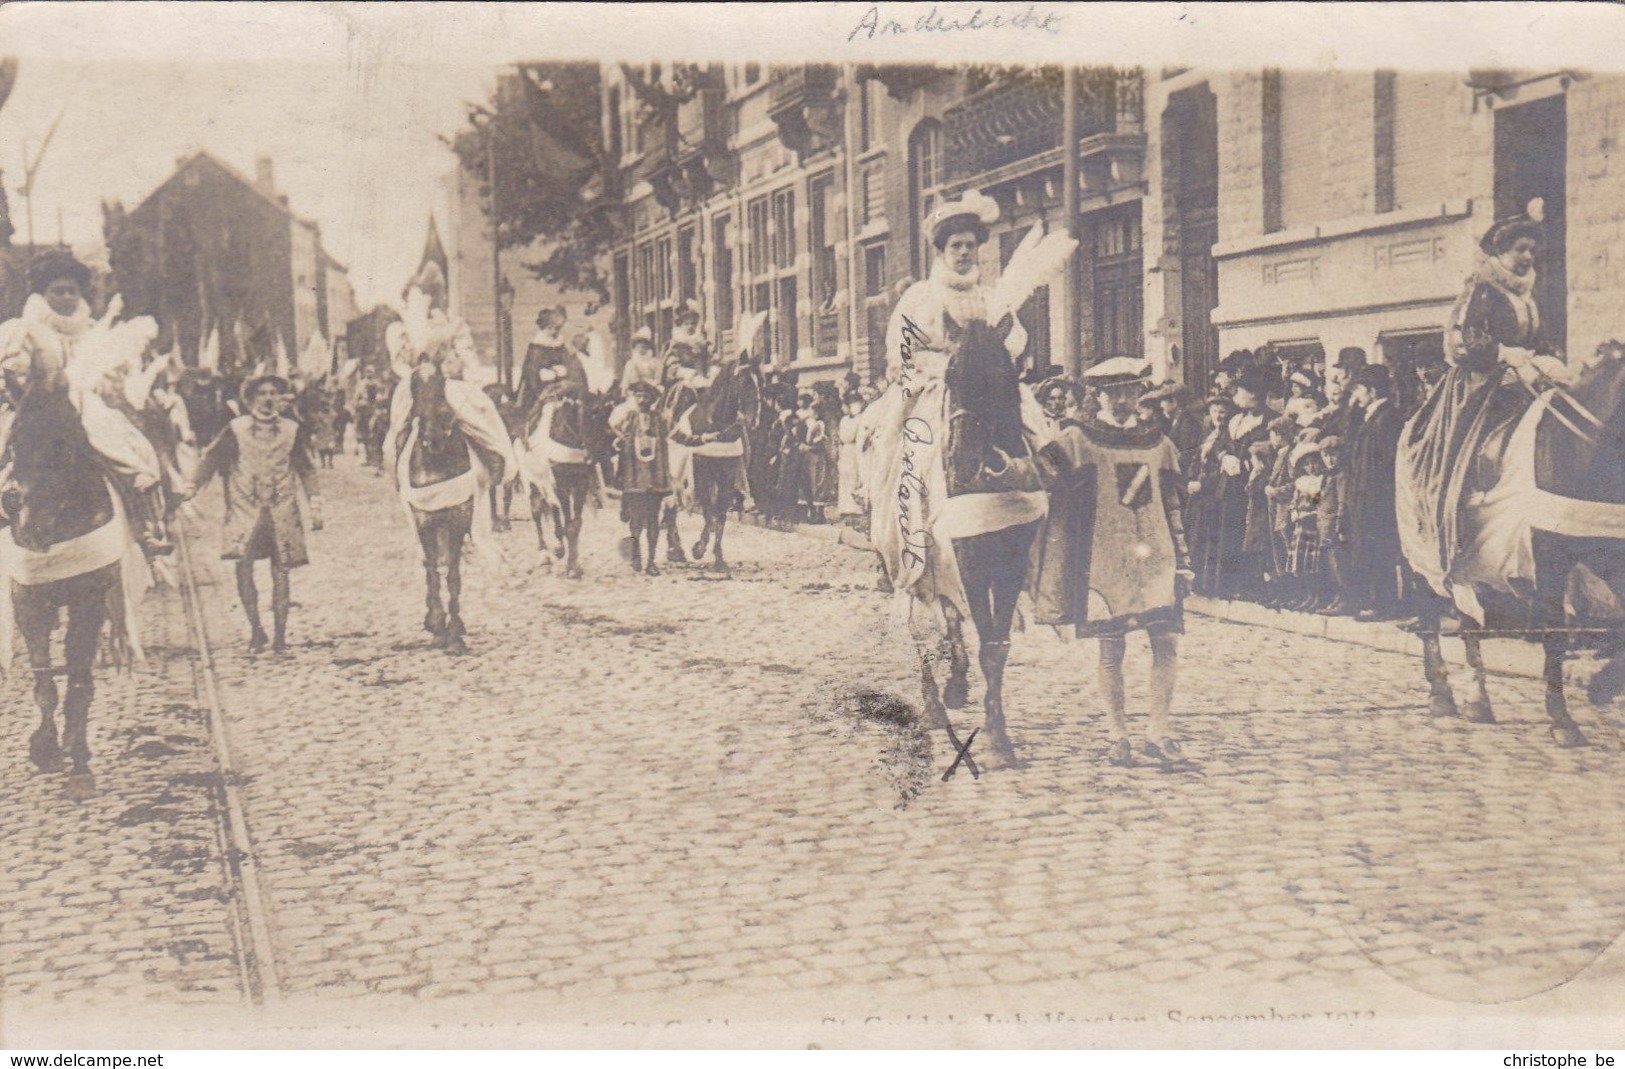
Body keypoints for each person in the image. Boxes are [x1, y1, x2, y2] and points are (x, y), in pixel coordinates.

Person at [1027, 357, 1192, 767]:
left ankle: (1159, 732)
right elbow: (1038, 474)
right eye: (1114, 391)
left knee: (1165, 643)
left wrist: (1184, 561)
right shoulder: (1078, 439)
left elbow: (1172, 503)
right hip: (1105, 562)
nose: (1123, 399)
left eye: (1131, 391)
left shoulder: (1158, 441)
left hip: (1156, 557)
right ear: (1098, 394)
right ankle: (1118, 735)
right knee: (1111, 650)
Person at [1398, 199, 1555, 618]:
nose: (1526, 256)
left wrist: (1546, 357)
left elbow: (1539, 339)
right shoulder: (1481, 289)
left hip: (1523, 376)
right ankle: (1455, 508)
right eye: (1518, 249)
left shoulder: (1527, 294)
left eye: (1530, 249)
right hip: (1481, 383)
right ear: (1500, 252)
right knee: (1467, 449)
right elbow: (1465, 341)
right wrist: (1506, 353)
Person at [0, 250, 172, 555]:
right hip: (25, 403)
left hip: (82, 399)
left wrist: (107, 382)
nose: (66, 297)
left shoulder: (92, 331)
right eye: (57, 291)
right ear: (42, 293)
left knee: (110, 428)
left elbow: (109, 371)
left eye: (72, 291)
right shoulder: (22, 330)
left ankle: (140, 518)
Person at [183, 373, 322, 653]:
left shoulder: (291, 430)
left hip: (282, 511)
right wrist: (191, 486)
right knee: (243, 568)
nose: (268, 399)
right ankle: (256, 629)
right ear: (250, 399)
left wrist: (315, 502)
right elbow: (210, 458)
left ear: (280, 399)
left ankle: (281, 635)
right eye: (262, 394)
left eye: (273, 393)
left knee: (281, 570)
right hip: (245, 509)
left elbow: (306, 468)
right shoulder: (235, 430)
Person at [1346, 364, 1406, 620]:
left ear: (1371, 390)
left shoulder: (1386, 419)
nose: (1356, 395)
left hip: (1377, 500)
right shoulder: (1373, 417)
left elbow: (1389, 464)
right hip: (1366, 496)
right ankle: (1377, 601)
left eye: (1359, 389)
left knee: (1380, 550)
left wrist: (1379, 498)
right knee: (1369, 550)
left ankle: (1384, 604)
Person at [609, 379, 671, 576]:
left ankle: (651, 561)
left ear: (652, 399)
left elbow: (664, 448)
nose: (642, 399)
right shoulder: (629, 418)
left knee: (653, 520)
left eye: (646, 396)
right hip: (634, 478)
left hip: (654, 478)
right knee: (635, 521)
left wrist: (664, 477)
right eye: (639, 396)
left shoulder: (659, 419)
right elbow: (617, 434)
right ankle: (636, 556)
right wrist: (620, 441)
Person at [835, 390, 866, 527]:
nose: (855, 406)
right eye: (852, 403)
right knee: (845, 479)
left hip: (856, 450)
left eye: (857, 403)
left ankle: (856, 511)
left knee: (855, 478)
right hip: (846, 450)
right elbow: (842, 437)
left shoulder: (863, 418)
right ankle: (845, 510)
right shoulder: (844, 420)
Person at [619, 327, 663, 393]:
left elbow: (658, 379)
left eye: (644, 345)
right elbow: (626, 382)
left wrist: (651, 384)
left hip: (651, 391)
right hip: (634, 392)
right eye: (638, 346)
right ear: (635, 347)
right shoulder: (630, 363)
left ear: (648, 346)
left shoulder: (654, 362)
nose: (641, 349)